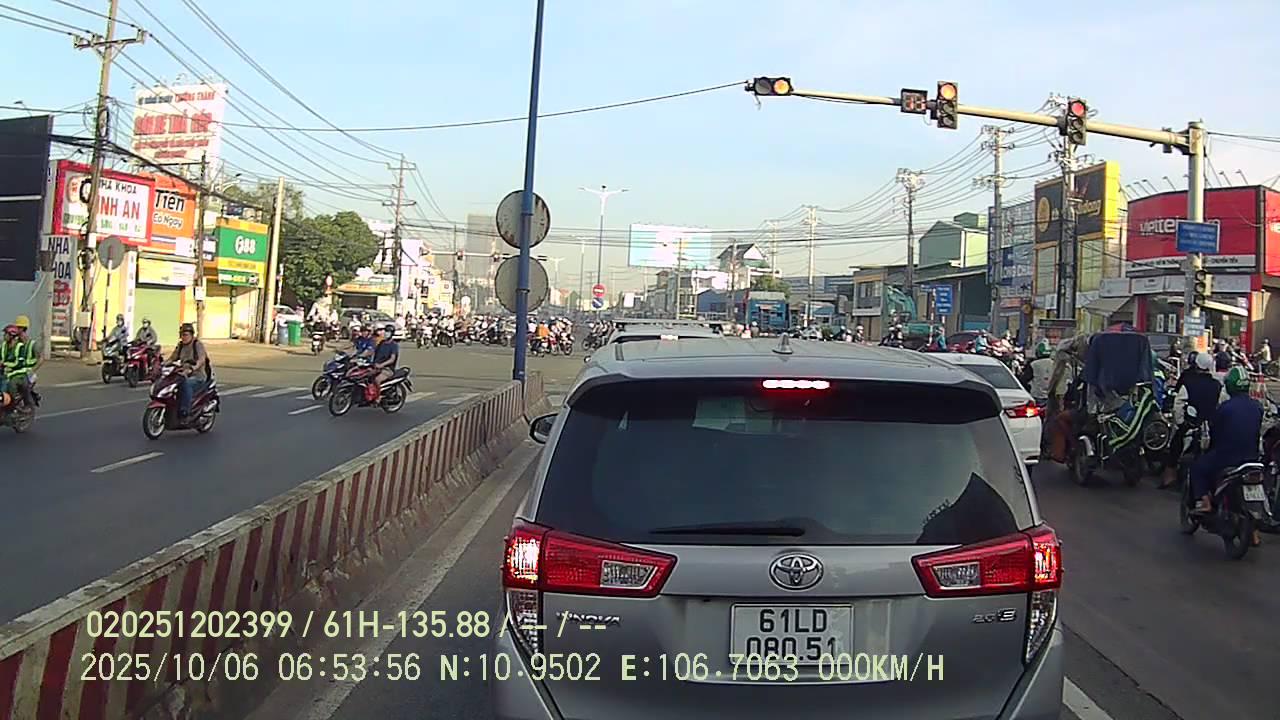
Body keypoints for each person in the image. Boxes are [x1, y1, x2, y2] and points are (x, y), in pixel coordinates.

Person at [1190, 367, 1263, 542]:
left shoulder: (1225, 408)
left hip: (1227, 458)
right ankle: (1254, 532)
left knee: (1198, 468)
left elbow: (1215, 434)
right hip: (1252, 458)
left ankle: (1205, 502)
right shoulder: (1257, 407)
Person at [1161, 351, 1223, 488]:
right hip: (1210, 426)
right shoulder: (1217, 385)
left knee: (1175, 445)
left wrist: (1181, 423)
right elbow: (1220, 406)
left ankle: (1169, 476)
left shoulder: (1188, 382)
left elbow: (1178, 405)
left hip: (1191, 424)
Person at [168, 323, 209, 420]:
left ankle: (185, 411)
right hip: (183, 374)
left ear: (191, 335)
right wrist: (162, 364)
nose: (184, 337)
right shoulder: (181, 345)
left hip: (197, 376)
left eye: (186, 335)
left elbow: (201, 359)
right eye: (182, 335)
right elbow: (172, 358)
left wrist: (193, 368)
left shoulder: (197, 344)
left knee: (186, 383)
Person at [1, 315, 38, 410]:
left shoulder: (30, 344)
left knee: (13, 384)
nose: (16, 329)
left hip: (24, 371)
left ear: (22, 328)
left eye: (18, 327)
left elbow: (40, 358)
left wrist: (33, 370)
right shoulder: (9, 343)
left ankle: (13, 405)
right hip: (11, 370)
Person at [371, 324, 400, 389]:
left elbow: (392, 359)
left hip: (387, 369)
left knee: (377, 380)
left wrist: (381, 365)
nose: (386, 333)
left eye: (388, 332)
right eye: (386, 331)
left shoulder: (394, 345)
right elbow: (374, 352)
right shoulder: (381, 343)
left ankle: (377, 395)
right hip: (376, 367)